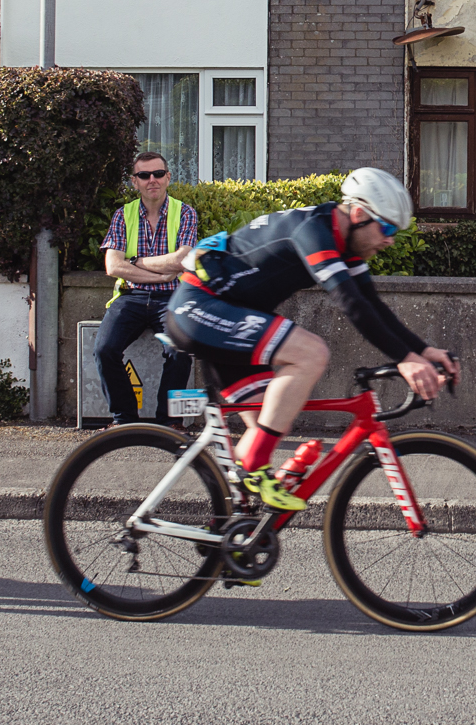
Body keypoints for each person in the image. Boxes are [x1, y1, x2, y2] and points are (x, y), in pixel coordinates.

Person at [140, 167, 456, 512]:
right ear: (360, 214)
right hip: (200, 309)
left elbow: (373, 306)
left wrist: (422, 351)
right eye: (388, 228)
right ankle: (251, 471)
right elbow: (351, 305)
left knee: (273, 418)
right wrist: (406, 360)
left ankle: (232, 533)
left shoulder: (344, 243)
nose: (391, 239)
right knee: (310, 353)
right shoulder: (313, 231)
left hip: (226, 318)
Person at [93, 151, 198, 426]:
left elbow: (181, 260)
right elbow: (113, 266)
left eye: (158, 174)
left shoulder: (185, 212)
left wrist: (136, 262)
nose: (152, 180)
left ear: (168, 178)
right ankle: (124, 420)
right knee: (104, 350)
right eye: (144, 175)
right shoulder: (123, 215)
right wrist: (158, 275)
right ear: (134, 181)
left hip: (172, 297)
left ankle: (169, 423)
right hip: (131, 297)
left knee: (180, 351)